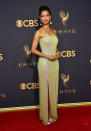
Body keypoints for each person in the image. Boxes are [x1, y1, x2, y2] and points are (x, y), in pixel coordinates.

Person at [27, 5, 61, 125]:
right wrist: (48, 56)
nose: (45, 18)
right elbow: (33, 50)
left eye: (47, 15)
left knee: (53, 89)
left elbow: (54, 45)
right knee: (45, 90)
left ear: (50, 17)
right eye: (43, 16)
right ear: (40, 18)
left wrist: (57, 52)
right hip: (44, 64)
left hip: (55, 63)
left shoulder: (54, 31)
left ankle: (52, 114)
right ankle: (46, 116)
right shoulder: (38, 32)